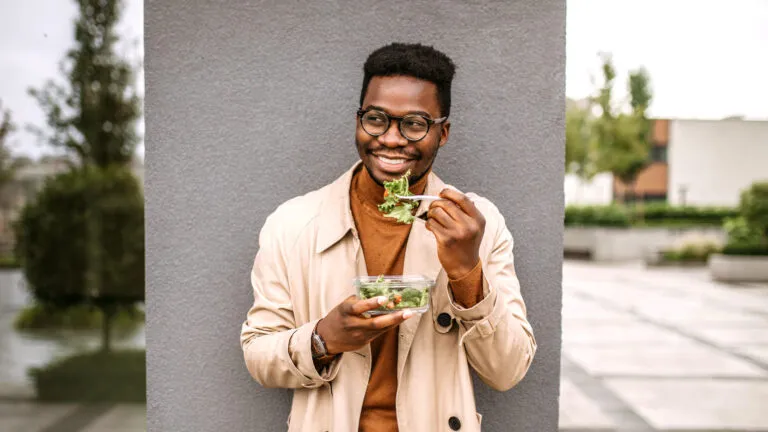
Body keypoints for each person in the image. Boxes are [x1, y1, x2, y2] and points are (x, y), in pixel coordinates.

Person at [240, 42, 536, 432]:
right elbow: (258, 353)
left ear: (442, 132)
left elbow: (507, 370)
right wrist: (324, 338)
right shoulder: (292, 224)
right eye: (377, 119)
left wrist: (467, 270)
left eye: (414, 124)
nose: (392, 139)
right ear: (358, 119)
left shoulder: (479, 224)